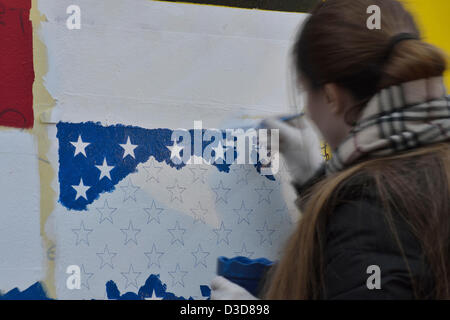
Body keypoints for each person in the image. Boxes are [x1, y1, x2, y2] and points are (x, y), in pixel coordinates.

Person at [211, 0, 449, 299]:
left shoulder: (371, 214)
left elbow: (379, 233)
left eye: (304, 93)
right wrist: (315, 182)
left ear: (331, 97)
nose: (307, 111)